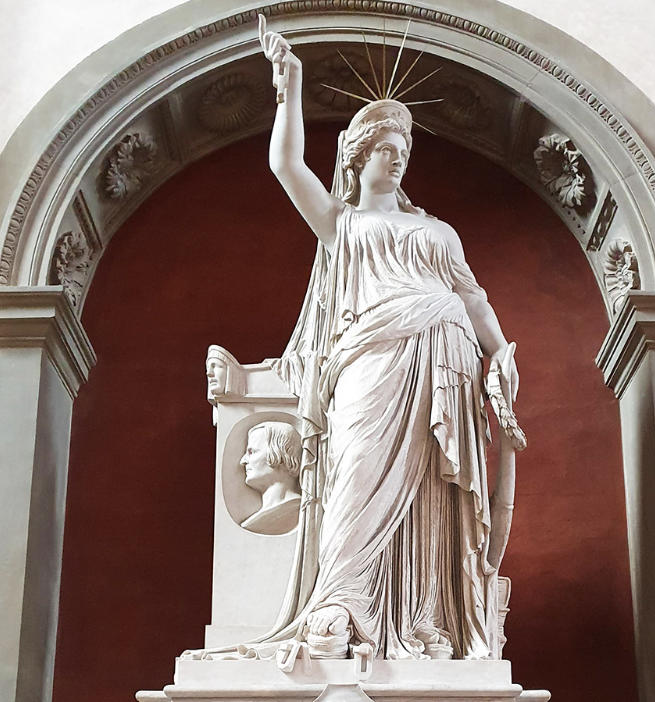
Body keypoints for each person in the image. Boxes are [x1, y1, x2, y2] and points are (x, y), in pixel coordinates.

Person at [187, 19, 522, 663]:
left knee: (429, 490)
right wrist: (290, 89)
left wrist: (500, 350)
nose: (396, 160)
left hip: (445, 358)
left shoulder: (438, 232)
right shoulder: (342, 224)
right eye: (385, 149)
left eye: (403, 151)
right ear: (356, 156)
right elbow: (286, 166)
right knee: (357, 471)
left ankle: (422, 613)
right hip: (371, 357)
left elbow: (473, 295)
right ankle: (340, 603)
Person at [239, 422, 302, 534]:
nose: (243, 461)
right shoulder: (254, 521)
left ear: (280, 454)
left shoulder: (297, 510)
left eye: (251, 452)